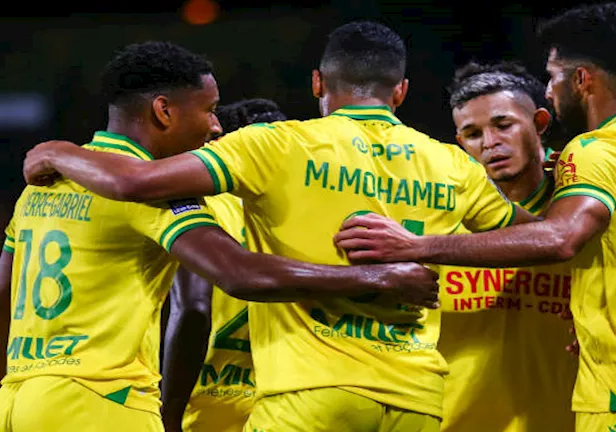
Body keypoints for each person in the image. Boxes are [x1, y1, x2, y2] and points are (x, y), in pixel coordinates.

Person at [21, 21, 530, 431]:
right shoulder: (452, 164)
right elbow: (540, 237)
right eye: (210, 110)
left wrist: (58, 151)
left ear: (318, 83)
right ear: (400, 91)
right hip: (418, 398)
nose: (215, 124)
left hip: (307, 395)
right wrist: (425, 247)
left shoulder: (277, 145)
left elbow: (136, 183)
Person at [333, 3, 616, 431]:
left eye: (554, 76)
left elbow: (560, 238)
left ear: (581, 80)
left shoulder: (594, 154)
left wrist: (415, 246)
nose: (549, 89)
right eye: (472, 132)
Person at [438, 60, 576, 431]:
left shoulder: (581, 211)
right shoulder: (441, 213)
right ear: (460, 143)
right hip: (454, 422)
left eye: (503, 126)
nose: (490, 143)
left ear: (540, 123)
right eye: (472, 133)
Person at [161, 98, 289, 432]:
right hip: (288, 401)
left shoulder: (199, 208)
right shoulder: (308, 209)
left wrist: (169, 412)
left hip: (207, 403)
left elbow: (193, 309)